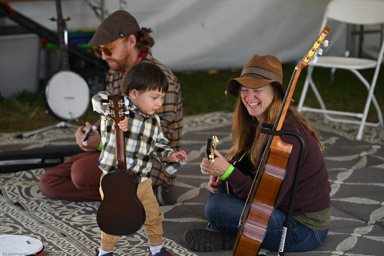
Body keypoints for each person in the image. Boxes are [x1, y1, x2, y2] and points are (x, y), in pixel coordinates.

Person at [183, 54, 331, 253]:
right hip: (278, 208)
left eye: (257, 90)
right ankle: (236, 235)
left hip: (301, 230)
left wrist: (229, 173)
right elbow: (256, 171)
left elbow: (265, 200)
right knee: (218, 192)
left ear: (275, 92)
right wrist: (220, 174)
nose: (249, 97)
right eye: (244, 90)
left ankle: (230, 239)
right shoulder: (261, 121)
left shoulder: (286, 136)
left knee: (215, 209)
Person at [40, 10, 183, 203]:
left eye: (107, 49)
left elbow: (154, 139)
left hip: (148, 161)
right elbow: (112, 112)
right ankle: (135, 195)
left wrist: (101, 143)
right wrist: (92, 132)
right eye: (99, 51)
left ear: (131, 41)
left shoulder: (161, 79)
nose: (103, 57)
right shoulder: (116, 71)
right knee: (50, 183)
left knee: (80, 173)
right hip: (115, 150)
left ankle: (147, 189)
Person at [92, 62, 187, 256]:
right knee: (114, 216)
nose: (159, 103)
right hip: (114, 180)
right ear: (134, 94)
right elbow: (97, 98)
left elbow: (159, 145)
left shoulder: (153, 121)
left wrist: (170, 155)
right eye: (154, 97)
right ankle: (104, 252)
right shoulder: (119, 108)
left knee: (152, 215)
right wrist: (117, 113)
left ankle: (157, 249)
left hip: (142, 181)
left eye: (161, 97)